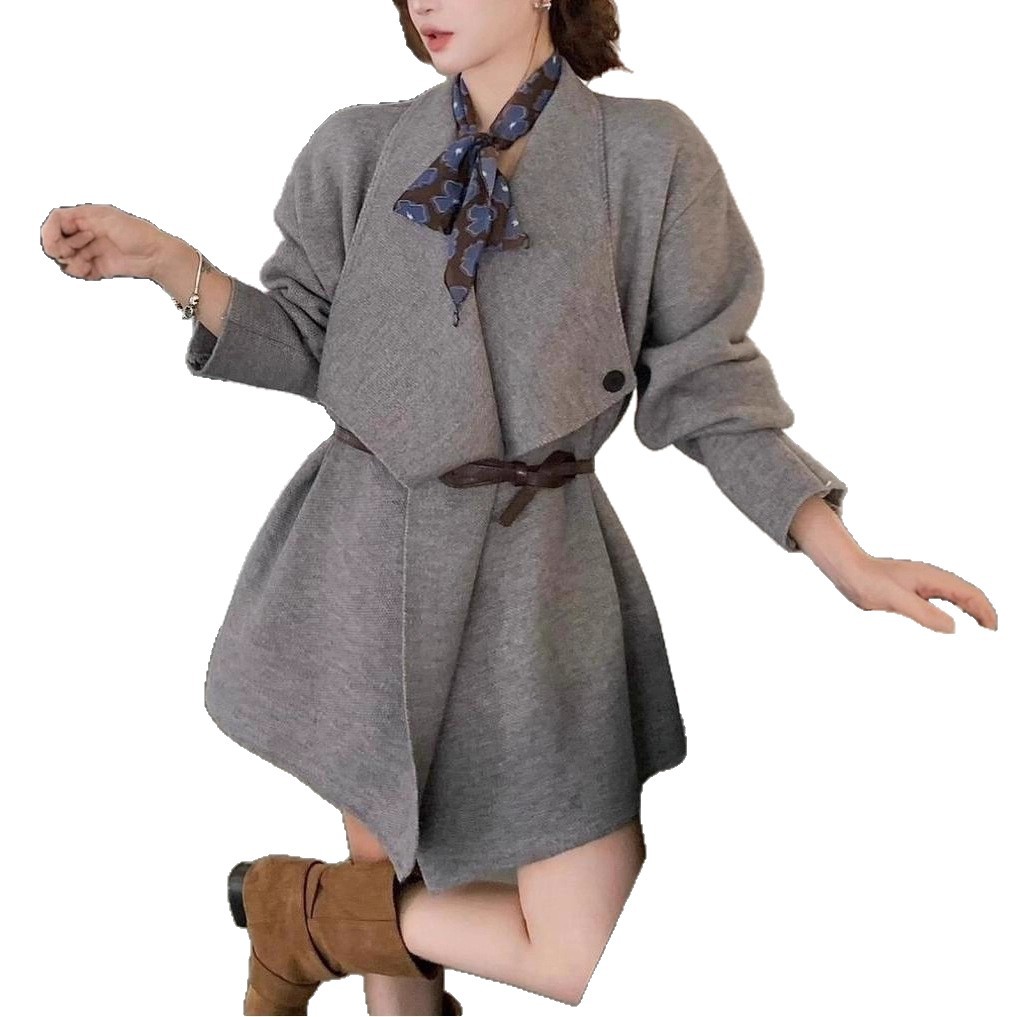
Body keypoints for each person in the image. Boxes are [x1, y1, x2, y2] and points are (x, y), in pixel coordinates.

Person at [39, 1, 998, 1013]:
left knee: (573, 944)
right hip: (370, 557)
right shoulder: (359, 148)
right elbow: (308, 347)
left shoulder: (646, 153)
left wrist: (844, 555)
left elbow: (706, 382)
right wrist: (168, 264)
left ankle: (299, 917)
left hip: (543, 575)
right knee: (395, 913)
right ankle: (333, 926)